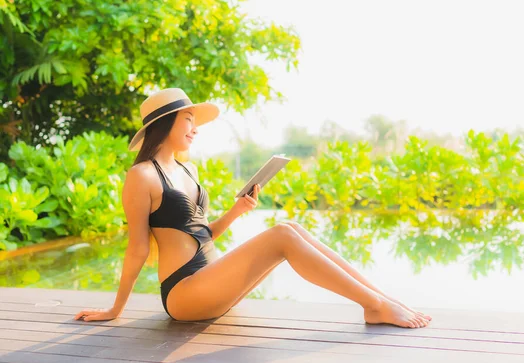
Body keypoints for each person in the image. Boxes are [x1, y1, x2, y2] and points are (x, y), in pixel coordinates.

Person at [74, 88, 432, 328]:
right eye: (188, 120)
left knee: (289, 227)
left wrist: (236, 212)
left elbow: (201, 234)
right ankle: (374, 306)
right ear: (164, 124)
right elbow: (137, 248)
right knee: (280, 235)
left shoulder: (187, 170)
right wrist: (115, 310)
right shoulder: (141, 177)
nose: (195, 129)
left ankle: (381, 299)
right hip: (185, 294)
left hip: (211, 282)